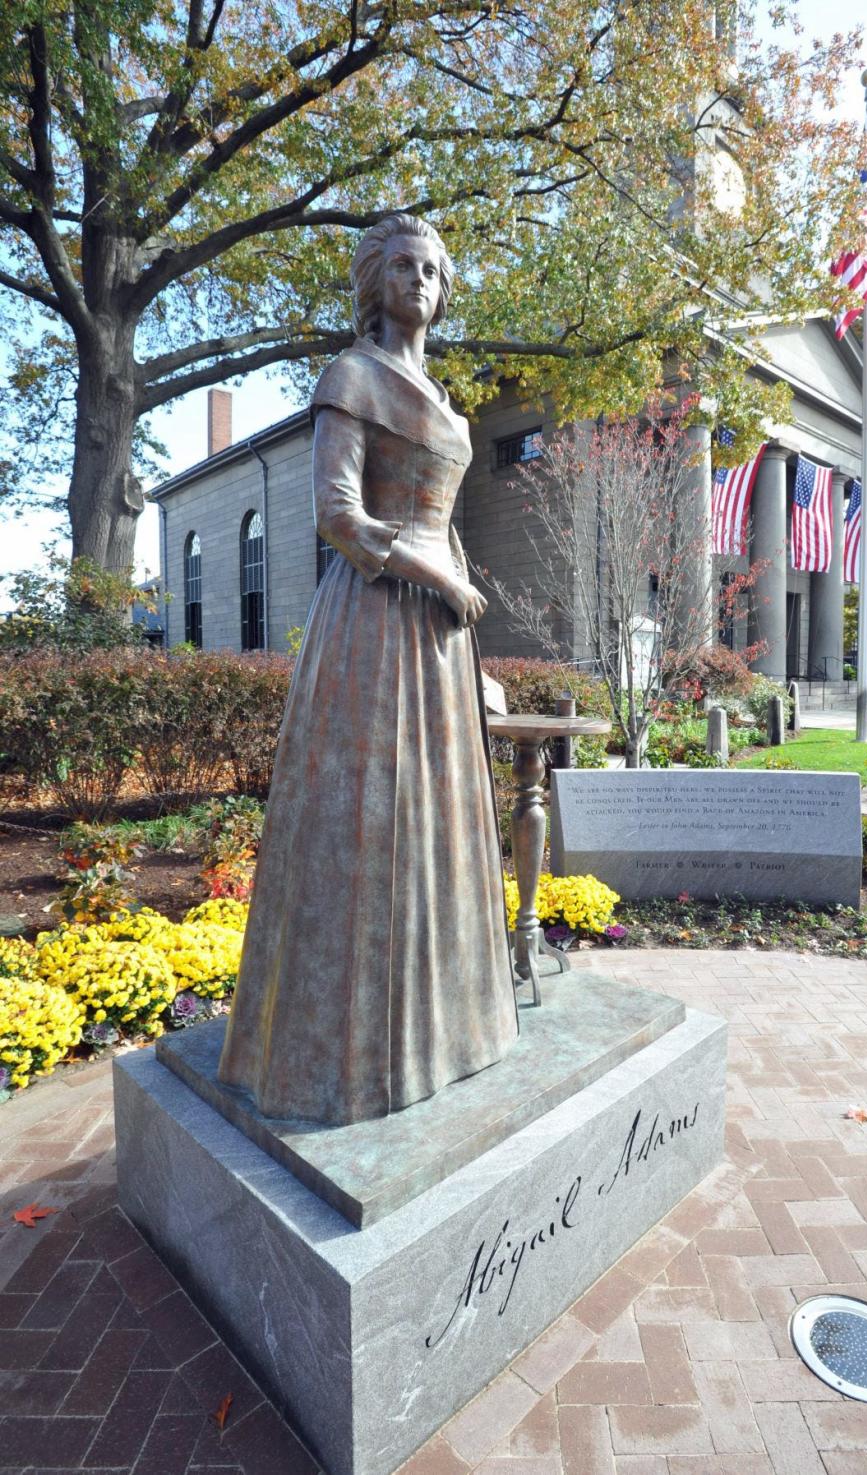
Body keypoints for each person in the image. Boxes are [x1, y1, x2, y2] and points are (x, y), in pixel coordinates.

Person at [218, 214, 518, 1125]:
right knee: (369, 827)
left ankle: (453, 1028)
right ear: (374, 281)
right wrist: (436, 579)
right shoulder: (351, 377)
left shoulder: (446, 399)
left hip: (439, 637)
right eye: (402, 265)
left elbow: (450, 522)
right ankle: (347, 1058)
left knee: (442, 826)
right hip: (374, 624)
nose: (420, 279)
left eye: (433, 267)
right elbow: (338, 517)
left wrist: (474, 655)